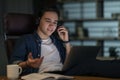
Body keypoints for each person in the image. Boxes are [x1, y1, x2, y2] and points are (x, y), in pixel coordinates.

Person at [10, 7, 71, 75]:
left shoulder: (57, 41)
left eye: (55, 22)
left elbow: (69, 64)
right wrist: (27, 64)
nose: (52, 25)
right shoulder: (26, 40)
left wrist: (66, 42)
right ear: (39, 20)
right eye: (48, 21)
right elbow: (13, 64)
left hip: (62, 76)